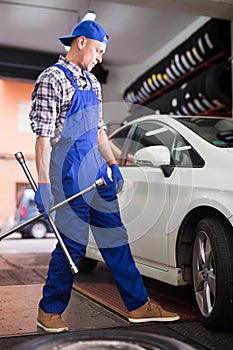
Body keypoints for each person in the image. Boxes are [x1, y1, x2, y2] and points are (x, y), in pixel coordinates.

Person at [29, 20, 180, 333]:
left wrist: (113, 164)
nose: (100, 57)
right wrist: (43, 184)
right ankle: (49, 310)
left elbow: (99, 131)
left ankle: (138, 306)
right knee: (72, 244)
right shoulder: (52, 79)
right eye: (98, 50)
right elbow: (43, 138)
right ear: (81, 42)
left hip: (97, 171)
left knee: (116, 240)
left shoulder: (93, 84)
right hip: (68, 173)